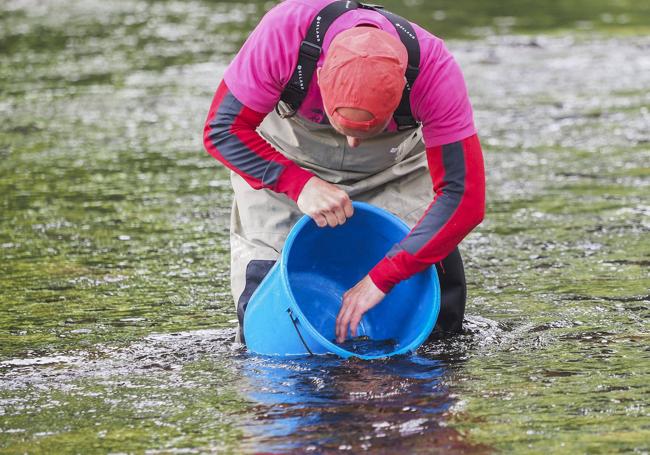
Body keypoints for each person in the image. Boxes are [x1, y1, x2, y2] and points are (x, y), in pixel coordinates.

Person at [203, 0, 485, 344]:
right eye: (343, 126)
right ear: (320, 76)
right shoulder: (283, 34)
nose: (352, 143)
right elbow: (222, 130)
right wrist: (299, 185)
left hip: (394, 170)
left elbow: (463, 197)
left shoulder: (435, 71)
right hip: (285, 162)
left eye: (367, 130)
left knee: (439, 307)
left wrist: (382, 278)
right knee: (263, 303)